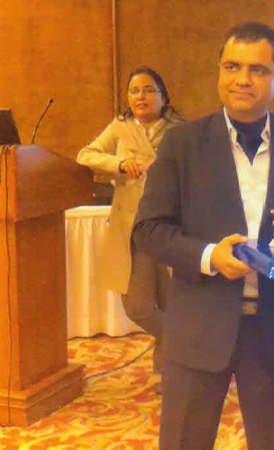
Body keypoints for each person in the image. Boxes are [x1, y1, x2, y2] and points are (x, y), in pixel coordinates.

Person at [130, 23, 274, 450]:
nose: (243, 79)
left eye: (258, 70)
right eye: (232, 66)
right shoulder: (182, 144)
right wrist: (209, 256)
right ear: (219, 71)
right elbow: (148, 229)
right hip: (199, 325)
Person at [76, 67, 184, 389]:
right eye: (134, 91)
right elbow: (85, 155)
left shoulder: (180, 131)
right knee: (137, 306)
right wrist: (120, 164)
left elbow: (198, 171)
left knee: (169, 302)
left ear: (163, 97)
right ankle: (184, 342)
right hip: (132, 229)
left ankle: (168, 374)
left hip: (169, 226)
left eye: (149, 90)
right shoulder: (120, 128)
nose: (141, 97)